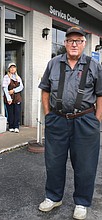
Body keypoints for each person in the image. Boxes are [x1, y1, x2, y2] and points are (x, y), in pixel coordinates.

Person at [38, 26, 102, 220]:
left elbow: (100, 95)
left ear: (84, 43)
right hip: (57, 120)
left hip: (85, 120)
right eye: (70, 40)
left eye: (78, 40)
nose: (74, 44)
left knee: (85, 164)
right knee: (54, 161)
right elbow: (45, 90)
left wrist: (96, 120)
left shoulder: (94, 65)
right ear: (65, 43)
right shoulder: (53, 63)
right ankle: (53, 197)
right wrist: (48, 115)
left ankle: (82, 202)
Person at [2, 62, 24, 133]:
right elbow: (5, 88)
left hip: (17, 97)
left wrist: (14, 90)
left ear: (15, 69)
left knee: (17, 112)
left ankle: (16, 127)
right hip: (9, 97)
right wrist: (8, 98)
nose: (12, 69)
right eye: (11, 67)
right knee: (10, 113)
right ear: (8, 69)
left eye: (14, 67)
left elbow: (21, 87)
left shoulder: (18, 77)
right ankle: (11, 126)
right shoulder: (6, 77)